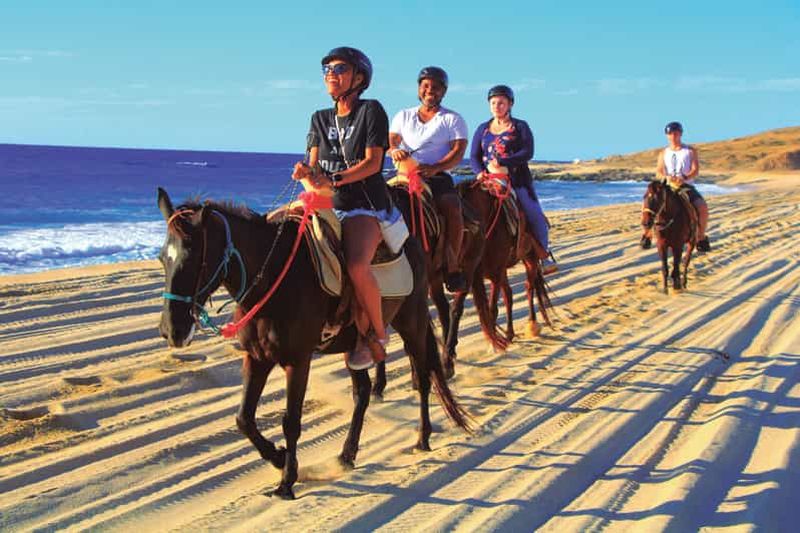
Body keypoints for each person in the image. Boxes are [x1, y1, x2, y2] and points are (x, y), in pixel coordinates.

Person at [292, 46, 390, 370]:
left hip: (364, 205)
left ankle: (375, 333)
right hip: (327, 202)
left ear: (358, 78)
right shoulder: (319, 118)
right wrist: (306, 173)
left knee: (357, 266)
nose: (331, 75)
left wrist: (334, 178)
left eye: (339, 69)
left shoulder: (371, 110)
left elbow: (373, 163)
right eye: (327, 69)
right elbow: (314, 164)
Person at [389, 66, 469, 292]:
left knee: (452, 208)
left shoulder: (453, 119)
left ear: (443, 91)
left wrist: (436, 168)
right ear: (419, 88)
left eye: (435, 87)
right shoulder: (403, 115)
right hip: (404, 173)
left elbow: (458, 152)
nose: (429, 91)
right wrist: (394, 150)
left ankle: (451, 268)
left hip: (437, 177)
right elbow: (392, 141)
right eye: (425, 86)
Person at [469, 85, 553, 268]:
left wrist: (504, 161)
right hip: (488, 180)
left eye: (501, 103)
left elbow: (528, 152)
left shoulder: (520, 126)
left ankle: (544, 257)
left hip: (515, 181)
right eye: (493, 103)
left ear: (510, 104)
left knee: (535, 214)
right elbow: (474, 156)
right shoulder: (482, 129)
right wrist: (479, 172)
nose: (496, 106)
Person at [641, 121, 711, 252]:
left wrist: (684, 177)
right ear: (667, 135)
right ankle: (647, 234)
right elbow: (659, 170)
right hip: (667, 186)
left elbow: (695, 170)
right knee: (648, 202)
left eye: (676, 133)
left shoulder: (690, 151)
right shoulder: (663, 153)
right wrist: (666, 177)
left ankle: (700, 237)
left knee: (701, 206)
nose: (673, 136)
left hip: (685, 186)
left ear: (681, 134)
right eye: (670, 133)